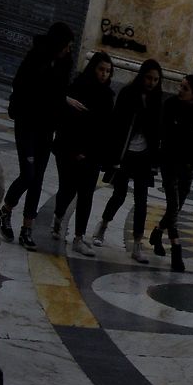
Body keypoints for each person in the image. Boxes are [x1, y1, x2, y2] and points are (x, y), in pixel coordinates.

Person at [0, 23, 76, 246]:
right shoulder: (36, 58)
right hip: (27, 124)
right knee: (28, 174)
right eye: (66, 45)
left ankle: (27, 228)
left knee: (38, 179)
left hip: (46, 128)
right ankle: (6, 210)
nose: (68, 49)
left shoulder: (64, 65)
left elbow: (59, 95)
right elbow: (20, 84)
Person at [95, 59, 168, 262]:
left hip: (144, 156)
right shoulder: (128, 94)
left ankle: (137, 243)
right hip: (125, 154)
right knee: (118, 195)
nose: (152, 82)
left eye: (156, 79)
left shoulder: (157, 99)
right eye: (149, 78)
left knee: (141, 201)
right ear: (142, 76)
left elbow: (158, 130)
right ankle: (103, 225)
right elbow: (116, 124)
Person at [49, 52, 114, 256]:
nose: (104, 74)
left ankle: (79, 237)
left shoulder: (107, 96)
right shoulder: (77, 87)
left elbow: (104, 129)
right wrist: (75, 150)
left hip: (92, 154)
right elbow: (67, 122)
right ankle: (58, 217)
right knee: (67, 190)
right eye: (101, 69)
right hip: (69, 149)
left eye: (108, 71)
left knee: (86, 195)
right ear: (93, 68)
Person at [150, 74, 193, 273]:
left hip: (188, 165)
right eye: (180, 86)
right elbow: (164, 131)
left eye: (185, 88)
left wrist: (186, 133)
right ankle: (176, 248)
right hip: (169, 162)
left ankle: (158, 232)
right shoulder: (170, 104)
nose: (180, 90)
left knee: (177, 206)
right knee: (173, 205)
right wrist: (190, 134)